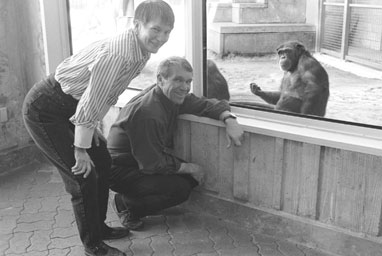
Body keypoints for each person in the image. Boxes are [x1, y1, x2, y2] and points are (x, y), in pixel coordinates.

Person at [22, 1, 174, 255]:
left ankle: (99, 227)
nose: (162, 38)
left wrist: (91, 131)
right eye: (156, 29)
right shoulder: (121, 53)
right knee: (82, 176)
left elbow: (106, 94)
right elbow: (93, 98)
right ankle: (92, 245)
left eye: (167, 32)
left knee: (102, 160)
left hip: (70, 107)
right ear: (138, 25)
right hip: (45, 110)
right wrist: (80, 149)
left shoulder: (140, 49)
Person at [107, 56, 244, 231]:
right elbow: (152, 164)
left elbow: (204, 104)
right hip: (120, 169)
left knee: (189, 179)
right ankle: (126, 205)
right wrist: (191, 167)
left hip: (140, 159)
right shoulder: (149, 113)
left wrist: (229, 119)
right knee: (180, 189)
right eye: (178, 80)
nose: (185, 87)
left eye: (188, 81)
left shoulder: (169, 96)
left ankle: (133, 198)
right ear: (160, 80)